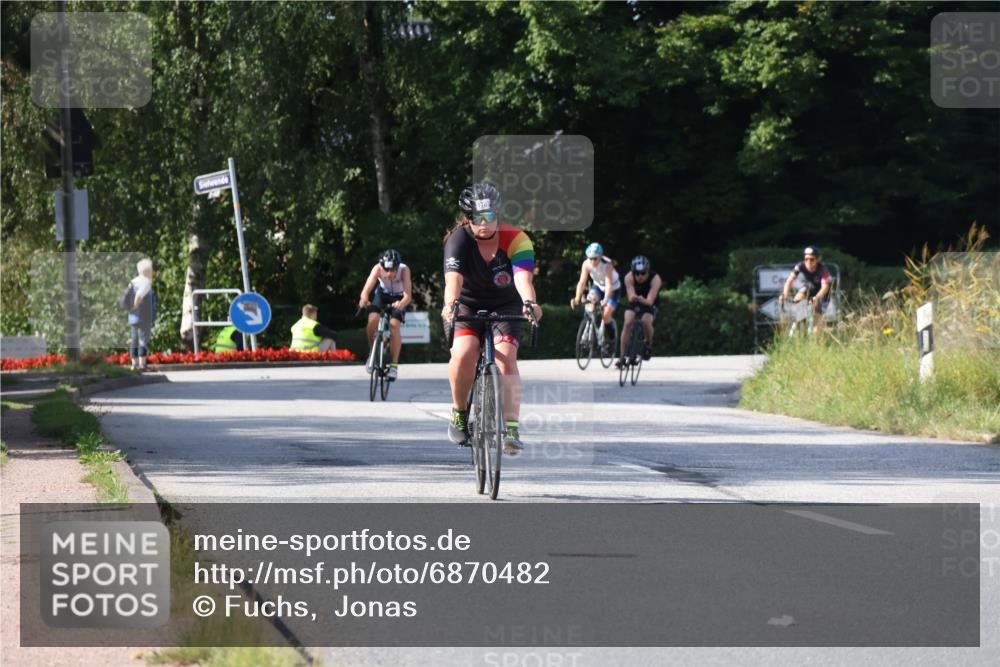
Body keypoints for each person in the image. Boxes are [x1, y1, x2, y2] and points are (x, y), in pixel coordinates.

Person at [441, 182, 542, 455]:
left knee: (506, 356)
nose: (484, 224)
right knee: (464, 353)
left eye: (490, 216)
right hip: (467, 304)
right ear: (468, 219)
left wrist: (529, 302)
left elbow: (523, 278)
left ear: (499, 214)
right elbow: (453, 282)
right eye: (477, 218)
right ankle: (460, 412)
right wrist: (450, 305)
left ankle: (511, 428)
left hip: (505, 304)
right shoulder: (458, 240)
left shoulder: (516, 238)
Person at [358, 249, 412, 380]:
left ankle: (393, 366)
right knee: (372, 320)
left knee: (394, 325)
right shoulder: (377, 269)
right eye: (386, 270)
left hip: (399, 297)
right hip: (382, 295)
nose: (389, 273)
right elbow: (366, 290)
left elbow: (408, 296)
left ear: (397, 266)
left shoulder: (404, 270)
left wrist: (401, 303)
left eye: (393, 270)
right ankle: (373, 352)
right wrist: (364, 299)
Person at [570, 242, 620, 354]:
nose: (592, 261)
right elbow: (582, 282)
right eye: (590, 258)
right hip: (598, 286)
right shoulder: (586, 264)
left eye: (595, 259)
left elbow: (609, 284)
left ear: (600, 256)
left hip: (613, 289)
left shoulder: (607, 264)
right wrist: (577, 298)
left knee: (606, 315)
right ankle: (587, 324)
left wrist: (606, 300)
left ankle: (611, 340)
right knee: (589, 302)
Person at [617, 255, 662, 367]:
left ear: (648, 271)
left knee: (645, 321)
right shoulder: (628, 277)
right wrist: (633, 297)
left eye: (643, 273)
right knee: (627, 323)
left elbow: (650, 300)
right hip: (636, 301)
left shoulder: (655, 279)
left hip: (650, 303)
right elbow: (631, 294)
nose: (639, 276)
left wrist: (645, 300)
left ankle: (648, 343)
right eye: (636, 273)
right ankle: (622, 357)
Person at [779, 246, 832, 334]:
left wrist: (817, 298)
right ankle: (800, 319)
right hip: (809, 288)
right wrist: (784, 294)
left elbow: (825, 288)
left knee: (817, 324)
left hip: (823, 293)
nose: (808, 262)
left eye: (812, 259)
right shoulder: (800, 266)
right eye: (806, 259)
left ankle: (815, 338)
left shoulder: (823, 270)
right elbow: (789, 281)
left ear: (818, 259)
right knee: (798, 298)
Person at [128, 257, 156, 371]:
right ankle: (142, 364)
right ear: (147, 271)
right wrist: (136, 305)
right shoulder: (146, 282)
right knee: (143, 339)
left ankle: (133, 364)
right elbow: (138, 296)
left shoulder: (133, 281)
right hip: (143, 316)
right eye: (151, 269)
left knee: (134, 339)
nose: (153, 272)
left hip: (133, 316)